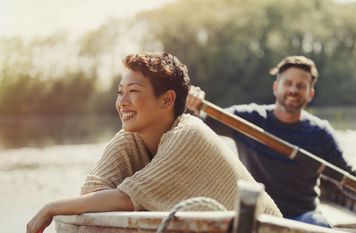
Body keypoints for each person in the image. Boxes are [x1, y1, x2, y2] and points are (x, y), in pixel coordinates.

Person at [26, 52, 282, 233]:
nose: (122, 101)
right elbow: (94, 192)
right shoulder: (131, 136)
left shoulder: (189, 134)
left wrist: (52, 207)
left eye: (134, 92)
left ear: (167, 100)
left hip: (268, 230)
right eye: (120, 92)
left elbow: (127, 198)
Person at [186, 55, 356, 227]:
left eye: (301, 85)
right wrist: (192, 106)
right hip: (255, 213)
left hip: (302, 217)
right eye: (288, 83)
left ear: (310, 93)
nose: (293, 90)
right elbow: (198, 126)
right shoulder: (247, 117)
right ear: (276, 87)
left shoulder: (320, 132)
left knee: (320, 226)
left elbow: (347, 177)